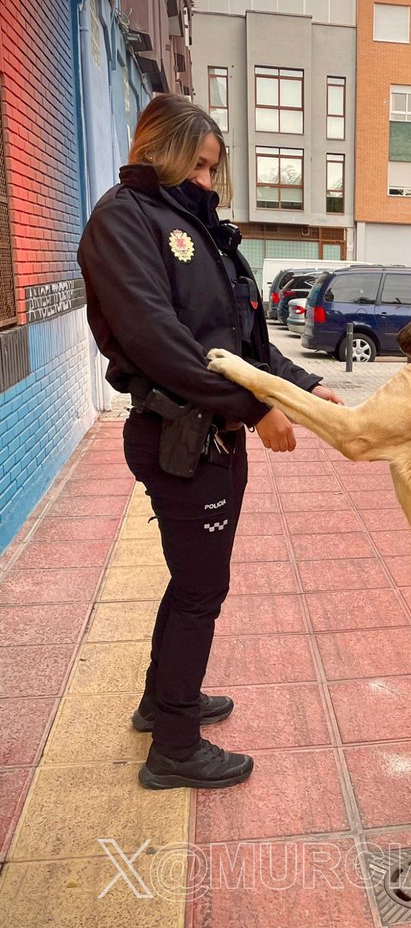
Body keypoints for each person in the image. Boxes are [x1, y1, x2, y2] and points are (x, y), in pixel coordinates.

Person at [77, 94, 342, 791]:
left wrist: (301, 386)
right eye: (196, 163)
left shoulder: (202, 230)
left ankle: (163, 702)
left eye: (212, 168)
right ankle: (175, 747)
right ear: (158, 149)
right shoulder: (123, 221)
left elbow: (245, 341)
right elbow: (160, 343)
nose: (206, 180)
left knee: (192, 584)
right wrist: (255, 411)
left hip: (214, 438)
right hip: (179, 436)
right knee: (202, 590)